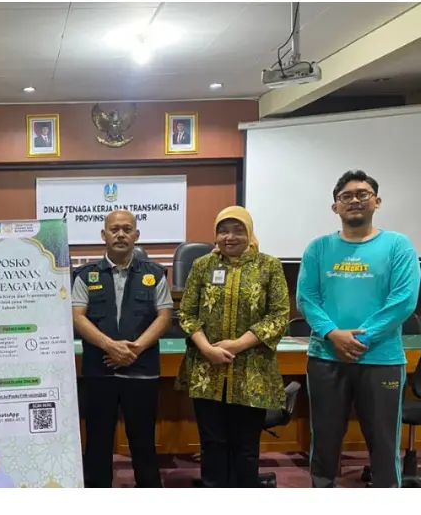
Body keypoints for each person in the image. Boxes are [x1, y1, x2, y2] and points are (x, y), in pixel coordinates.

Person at [297, 169, 420, 488]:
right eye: (346, 196)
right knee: (324, 441)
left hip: (381, 360)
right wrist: (333, 334)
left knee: (383, 444)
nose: (354, 200)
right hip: (326, 357)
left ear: (376, 201)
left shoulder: (398, 246)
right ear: (335, 206)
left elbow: (403, 300)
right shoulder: (318, 248)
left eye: (363, 194)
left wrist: (360, 338)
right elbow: (306, 298)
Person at [175, 206, 290, 488]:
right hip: (207, 369)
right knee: (212, 444)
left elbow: (279, 315)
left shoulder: (269, 266)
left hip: (251, 370)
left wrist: (237, 345)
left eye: (238, 230)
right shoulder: (203, 265)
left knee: (246, 447)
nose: (230, 237)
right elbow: (186, 313)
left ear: (249, 233)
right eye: (223, 230)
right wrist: (206, 348)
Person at [72, 209, 173, 488]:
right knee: (97, 442)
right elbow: (78, 317)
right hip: (99, 372)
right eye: (114, 229)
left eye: (127, 229)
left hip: (141, 371)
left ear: (136, 235)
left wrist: (134, 349)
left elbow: (164, 317)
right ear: (103, 235)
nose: (120, 234)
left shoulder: (154, 274)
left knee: (143, 442)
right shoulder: (85, 275)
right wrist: (110, 346)